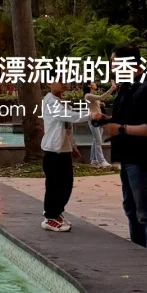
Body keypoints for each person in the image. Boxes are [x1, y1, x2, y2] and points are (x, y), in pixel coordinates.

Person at [90, 46, 147, 255]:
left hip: (143, 160)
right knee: (132, 210)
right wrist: (105, 119)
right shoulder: (127, 87)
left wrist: (121, 129)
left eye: (114, 63)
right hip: (127, 158)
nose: (112, 68)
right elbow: (125, 118)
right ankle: (139, 255)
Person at [41, 81, 86, 232]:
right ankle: (49, 218)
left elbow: (67, 128)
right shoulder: (50, 101)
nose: (64, 83)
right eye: (60, 80)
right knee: (54, 186)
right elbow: (67, 116)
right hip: (53, 151)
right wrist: (90, 115)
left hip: (64, 150)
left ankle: (57, 213)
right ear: (49, 82)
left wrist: (72, 145)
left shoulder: (62, 102)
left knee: (66, 184)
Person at [85, 81, 110, 167]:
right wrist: (112, 88)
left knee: (96, 141)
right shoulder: (88, 95)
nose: (95, 83)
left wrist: (101, 104)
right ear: (89, 85)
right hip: (93, 120)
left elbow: (96, 105)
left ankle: (94, 160)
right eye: (93, 82)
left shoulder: (93, 96)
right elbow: (102, 97)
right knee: (98, 141)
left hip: (99, 120)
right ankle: (101, 160)